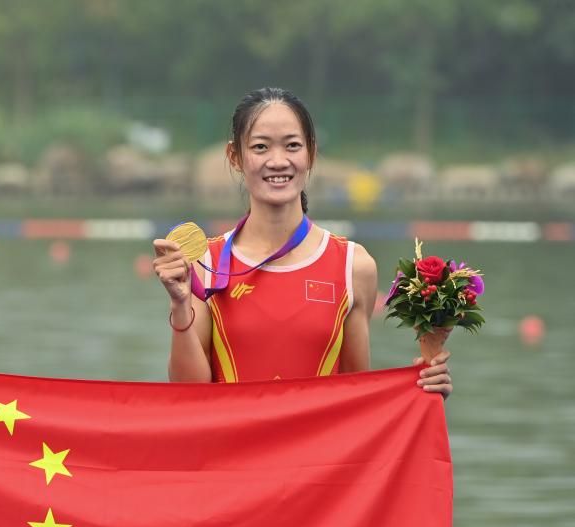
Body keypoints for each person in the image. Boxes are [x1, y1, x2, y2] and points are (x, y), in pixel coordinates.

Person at [152, 87, 451, 394]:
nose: (278, 161)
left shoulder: (353, 266)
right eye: (260, 147)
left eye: (292, 146)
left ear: (311, 153)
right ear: (235, 157)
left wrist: (421, 391)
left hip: (322, 431)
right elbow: (189, 394)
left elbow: (356, 398)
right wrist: (180, 304)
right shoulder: (207, 263)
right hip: (233, 430)